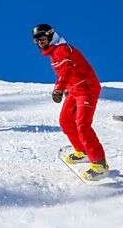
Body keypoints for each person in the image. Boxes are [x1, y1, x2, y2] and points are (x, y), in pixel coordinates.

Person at [32, 24, 108, 181]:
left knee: (83, 125)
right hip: (74, 90)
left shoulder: (62, 49)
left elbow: (67, 70)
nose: (40, 43)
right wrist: (66, 89)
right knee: (65, 121)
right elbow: (67, 73)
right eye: (37, 41)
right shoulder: (54, 53)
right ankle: (83, 152)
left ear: (51, 36)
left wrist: (59, 89)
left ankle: (100, 163)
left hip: (87, 89)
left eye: (43, 39)